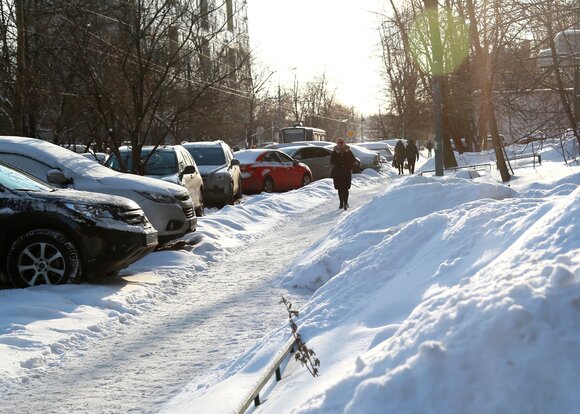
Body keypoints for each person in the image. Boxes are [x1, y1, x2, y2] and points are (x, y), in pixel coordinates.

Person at [330, 137, 357, 210]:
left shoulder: (348, 151)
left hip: (346, 172)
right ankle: (341, 203)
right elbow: (332, 161)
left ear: (344, 143)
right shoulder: (335, 151)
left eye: (341, 143)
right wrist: (339, 162)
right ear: (337, 143)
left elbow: (353, 160)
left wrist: (348, 164)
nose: (340, 144)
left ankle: (346, 202)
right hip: (338, 172)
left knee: (345, 188)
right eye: (339, 143)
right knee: (340, 188)